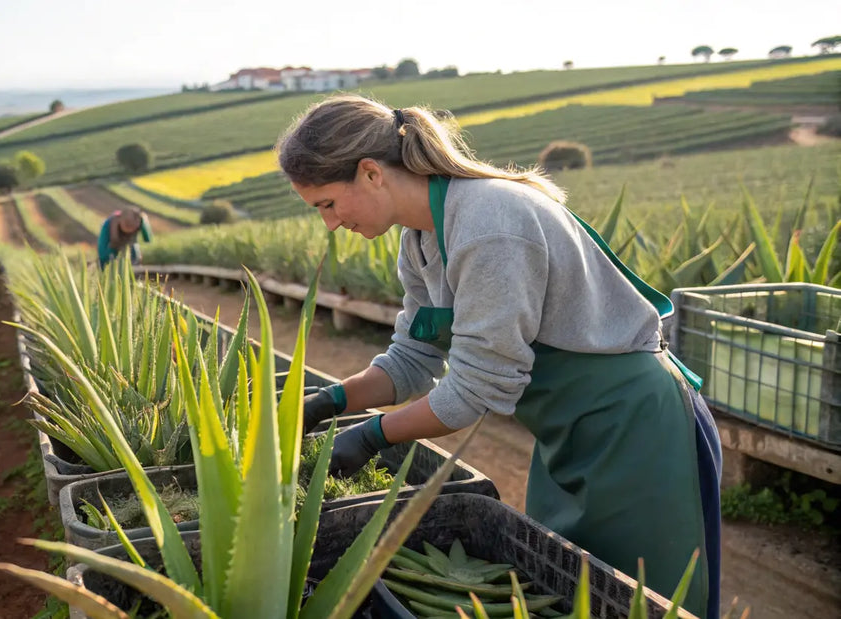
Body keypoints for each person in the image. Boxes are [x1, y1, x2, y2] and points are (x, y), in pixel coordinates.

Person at [278, 95, 722, 619]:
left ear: (371, 173)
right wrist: (327, 403)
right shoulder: (421, 239)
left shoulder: (490, 225)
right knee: (569, 592)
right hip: (567, 436)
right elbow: (411, 360)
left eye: (328, 204)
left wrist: (372, 435)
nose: (330, 224)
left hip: (637, 433)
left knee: (641, 601)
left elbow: (474, 391)